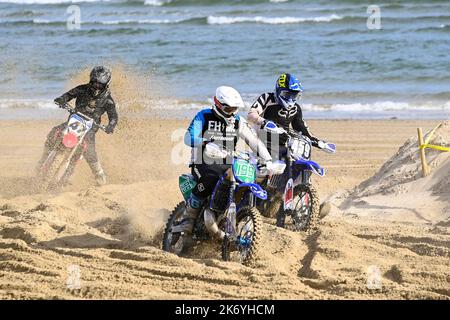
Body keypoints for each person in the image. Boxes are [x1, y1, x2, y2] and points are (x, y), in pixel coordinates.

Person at [178, 86, 273, 234]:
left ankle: (235, 215)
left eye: (235, 109)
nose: (233, 113)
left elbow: (254, 141)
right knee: (210, 178)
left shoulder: (238, 121)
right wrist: (204, 142)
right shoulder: (203, 116)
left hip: (227, 162)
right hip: (202, 161)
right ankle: (188, 217)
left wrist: (268, 160)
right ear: (218, 104)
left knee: (248, 179)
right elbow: (188, 137)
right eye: (229, 109)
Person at [37, 66, 118, 186]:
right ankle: (43, 160)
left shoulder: (108, 100)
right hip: (75, 120)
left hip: (90, 127)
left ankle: (99, 174)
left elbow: (114, 116)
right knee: (54, 132)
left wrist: (110, 126)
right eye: (94, 83)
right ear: (90, 80)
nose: (96, 86)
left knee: (88, 150)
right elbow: (68, 95)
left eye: (100, 84)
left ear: (106, 84)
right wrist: (62, 99)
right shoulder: (82, 89)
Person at [248, 73, 329, 159]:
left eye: (294, 95)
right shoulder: (267, 98)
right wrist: (264, 122)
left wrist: (320, 143)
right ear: (278, 91)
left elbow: (302, 130)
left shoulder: (296, 109)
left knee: (297, 152)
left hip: (282, 141)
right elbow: (251, 115)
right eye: (287, 95)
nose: (290, 99)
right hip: (260, 139)